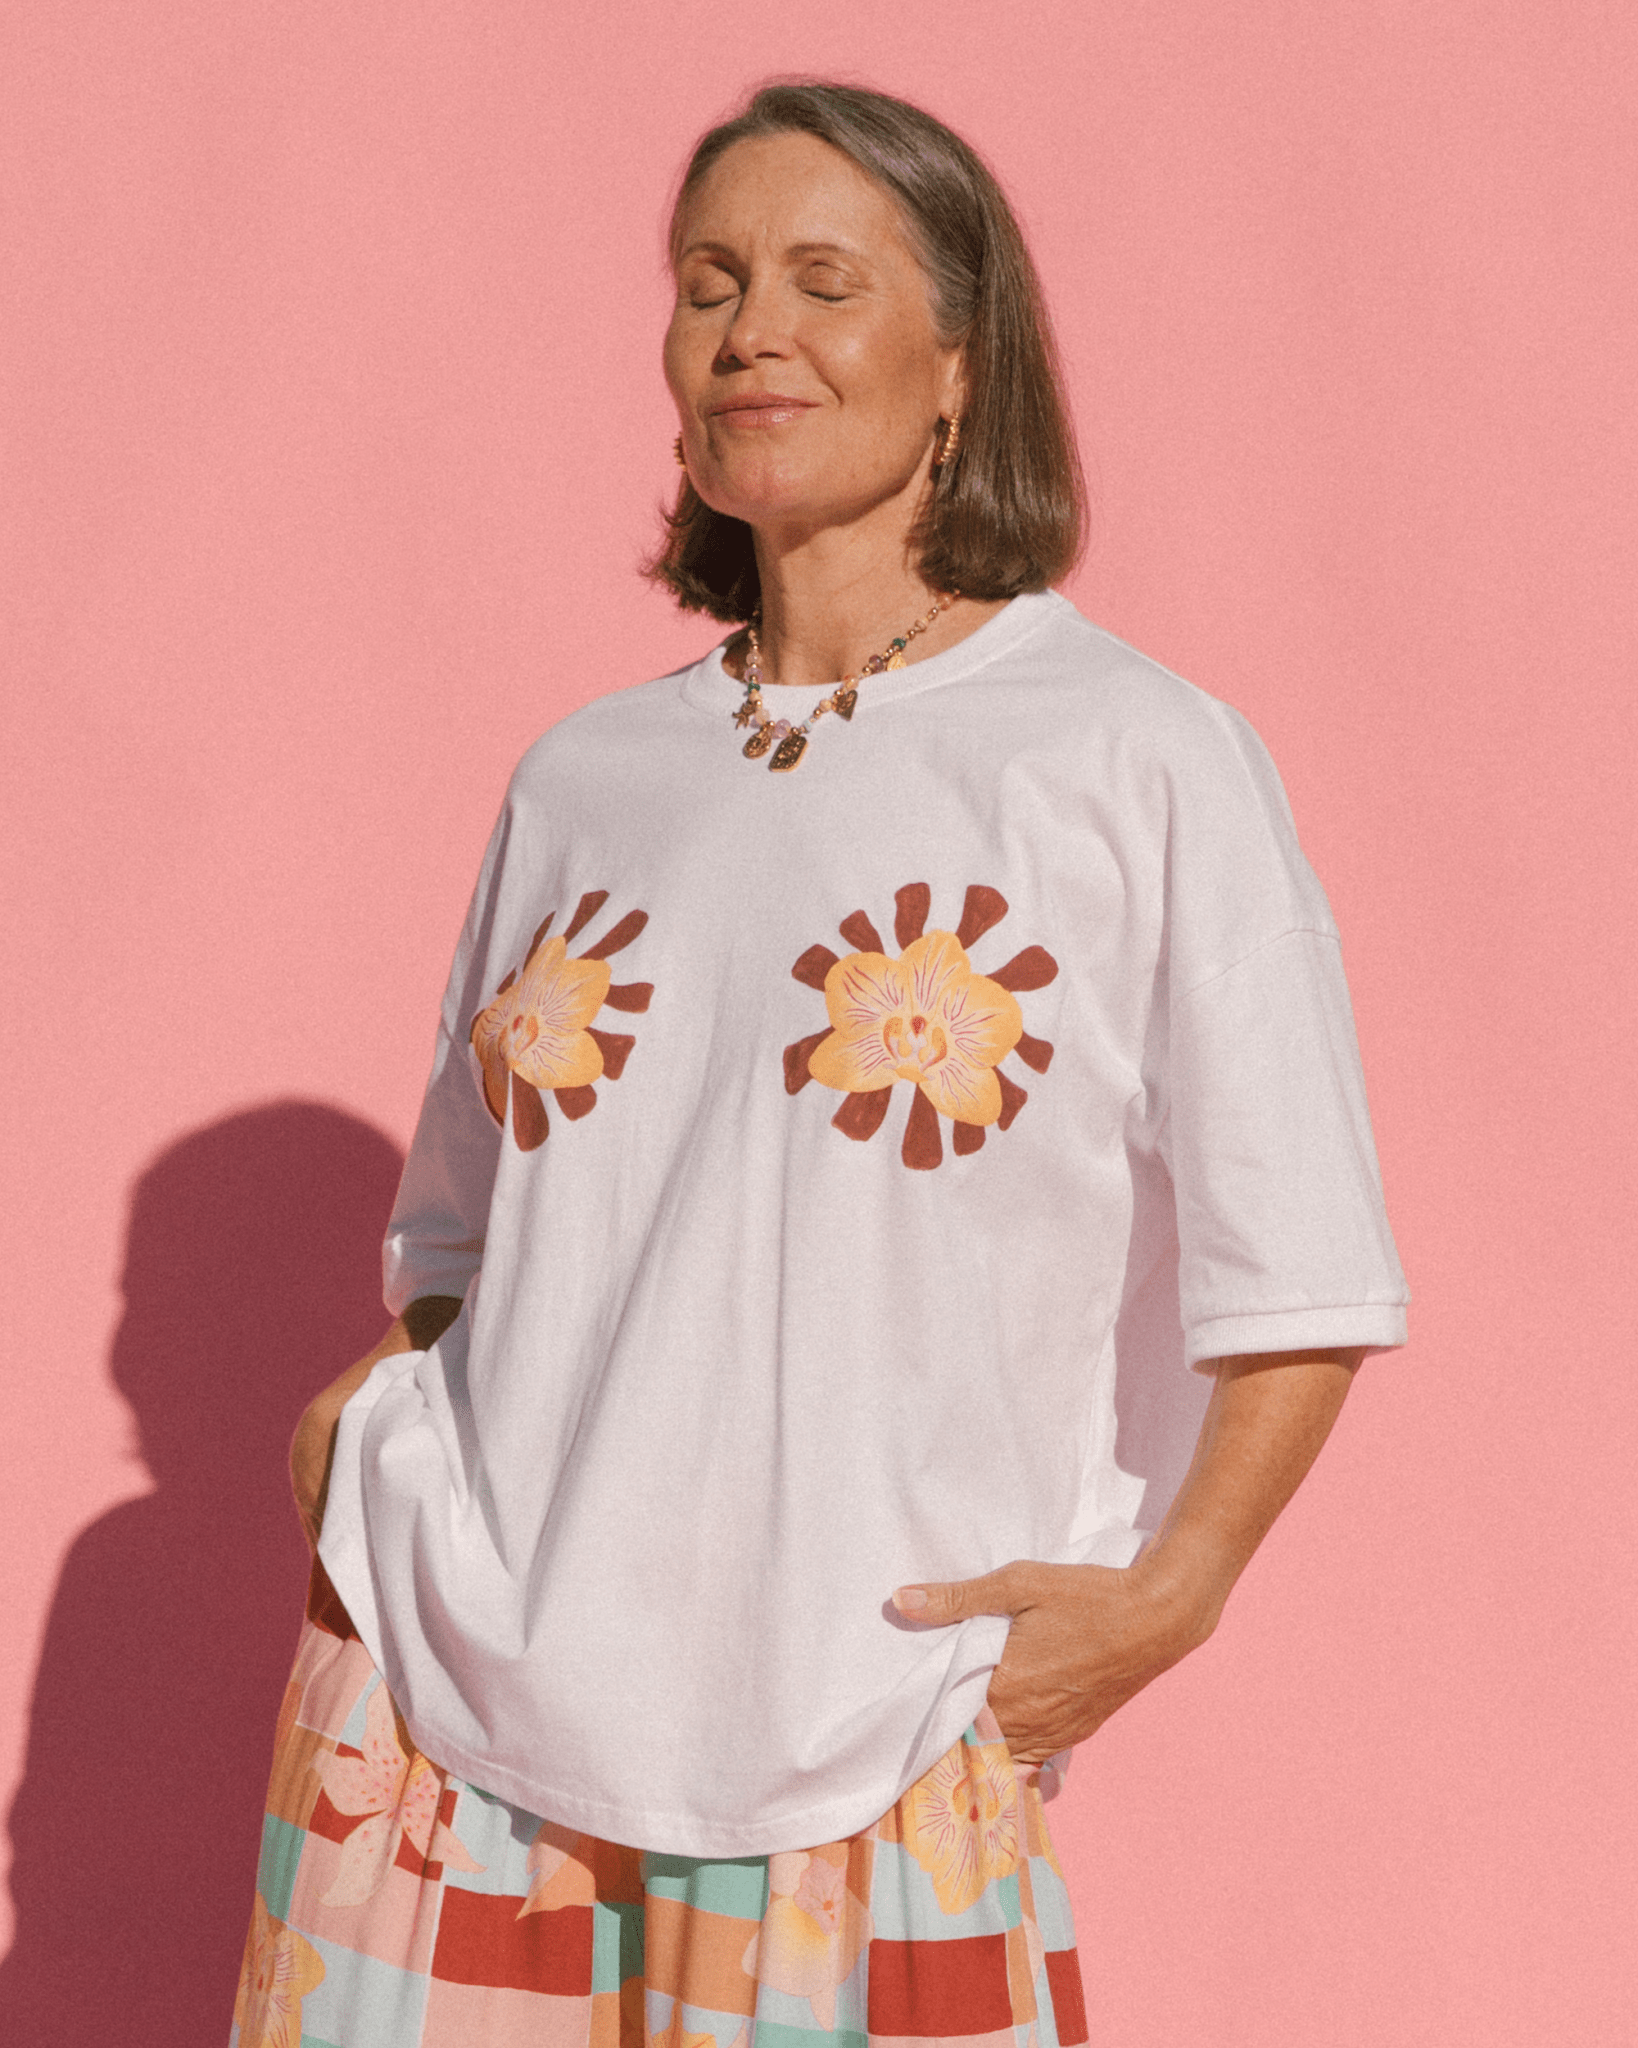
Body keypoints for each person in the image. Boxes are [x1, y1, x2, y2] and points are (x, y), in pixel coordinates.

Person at [232, 81, 1407, 2048]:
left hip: (860, 1740)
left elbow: (1304, 1266)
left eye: (820, 280)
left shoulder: (1130, 755)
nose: (749, 330)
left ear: (960, 361)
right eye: (709, 285)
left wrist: (1172, 1590)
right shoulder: (586, 775)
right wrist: (386, 1428)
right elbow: (460, 1230)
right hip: (438, 1732)